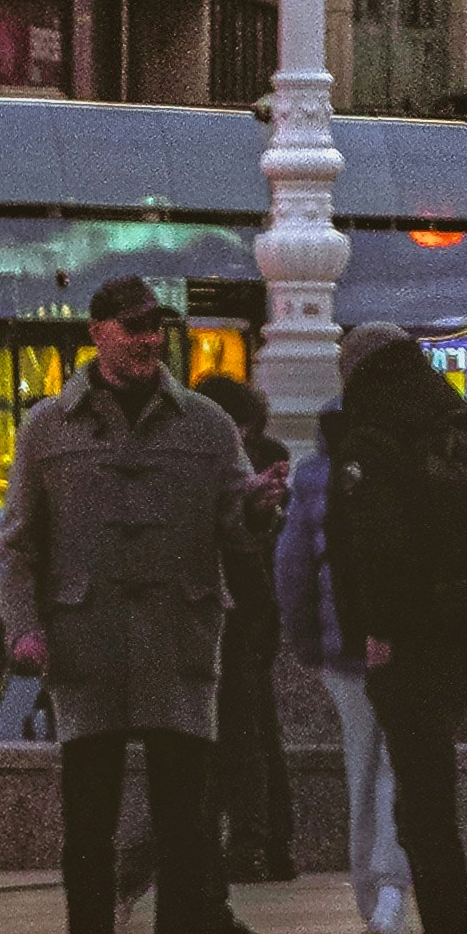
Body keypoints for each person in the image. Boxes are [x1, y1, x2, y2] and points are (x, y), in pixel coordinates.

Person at [0, 275, 248, 934]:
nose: (147, 340)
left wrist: (260, 504)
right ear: (98, 331)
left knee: (185, 828)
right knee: (87, 834)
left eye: (156, 329)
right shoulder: (48, 426)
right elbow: (14, 546)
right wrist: (24, 627)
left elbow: (236, 520)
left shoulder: (206, 423)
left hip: (178, 640)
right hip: (86, 646)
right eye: (133, 327)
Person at [325, 320, 467, 934]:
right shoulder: (450, 419)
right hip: (460, 637)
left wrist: (380, 633)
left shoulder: (374, 437)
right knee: (432, 814)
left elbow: (378, 547)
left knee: (424, 820)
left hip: (409, 647)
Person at [275, 402, 412, 934]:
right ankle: (390, 905)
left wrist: (308, 645)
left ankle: (371, 906)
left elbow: (291, 568)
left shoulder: (313, 478)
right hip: (407, 649)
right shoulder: (411, 464)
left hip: (343, 655)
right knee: (397, 776)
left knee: (362, 776)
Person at [199, 380, 296, 901]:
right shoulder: (240, 464)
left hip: (241, 614)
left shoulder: (248, 469)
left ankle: (255, 843)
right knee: (250, 729)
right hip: (241, 611)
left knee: (243, 729)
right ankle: (264, 842)